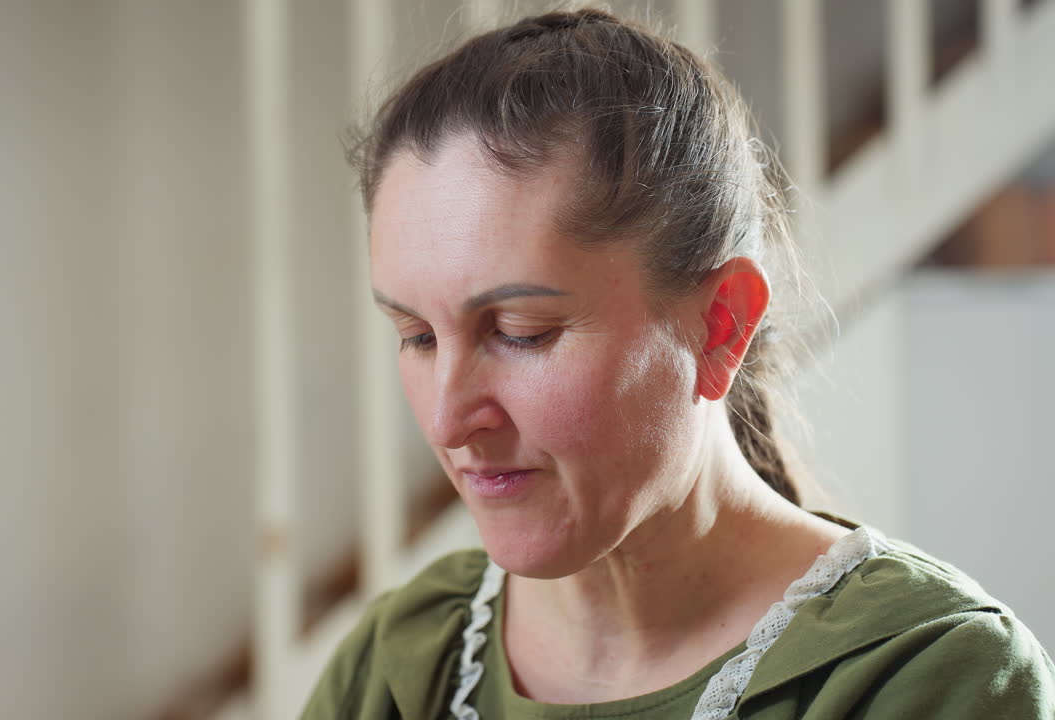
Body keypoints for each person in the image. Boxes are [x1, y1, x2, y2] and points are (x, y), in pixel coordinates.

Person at [302, 8, 1055, 719]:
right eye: (417, 336)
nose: (447, 419)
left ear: (721, 325)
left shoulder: (925, 672)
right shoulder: (400, 661)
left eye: (523, 331)